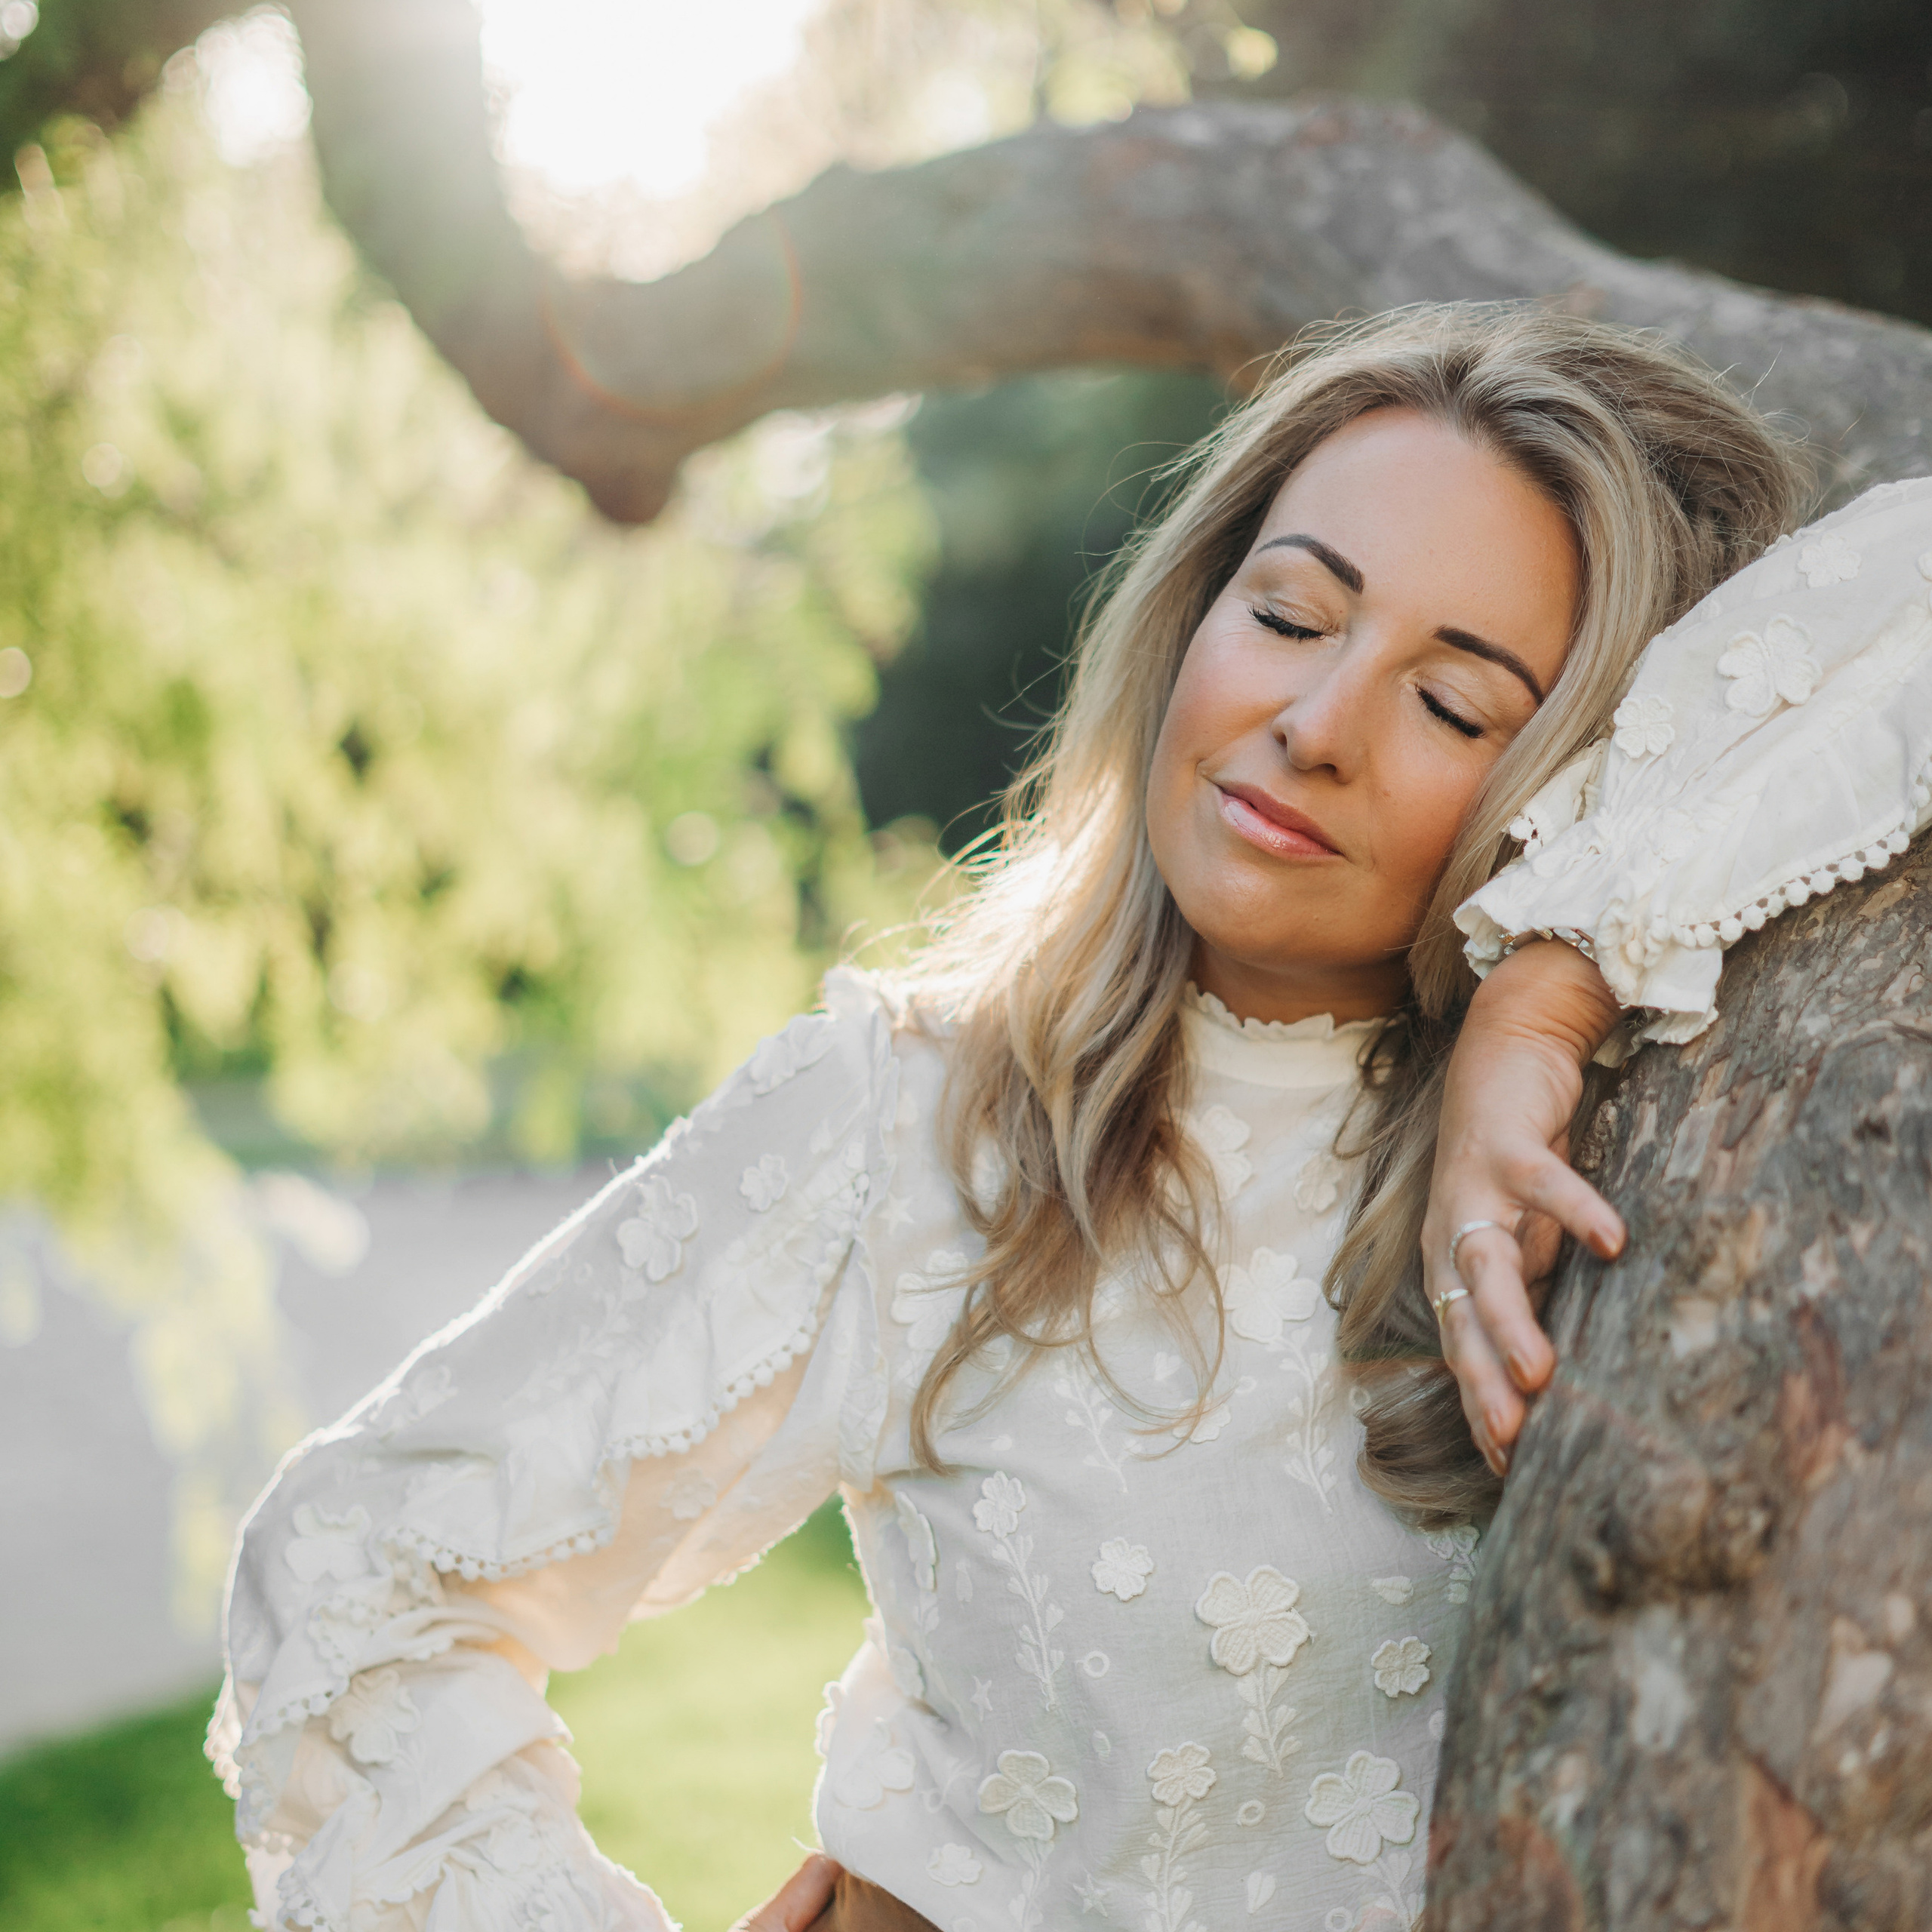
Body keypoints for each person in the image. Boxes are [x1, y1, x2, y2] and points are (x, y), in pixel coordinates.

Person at [208, 306, 1932, 1931]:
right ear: (1188, 615)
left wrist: (1542, 990)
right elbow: (358, 1575)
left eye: (1453, 700)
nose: (1313, 725)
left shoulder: (1671, 1118)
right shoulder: (916, 1115)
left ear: (1586, 770)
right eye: (1287, 611)